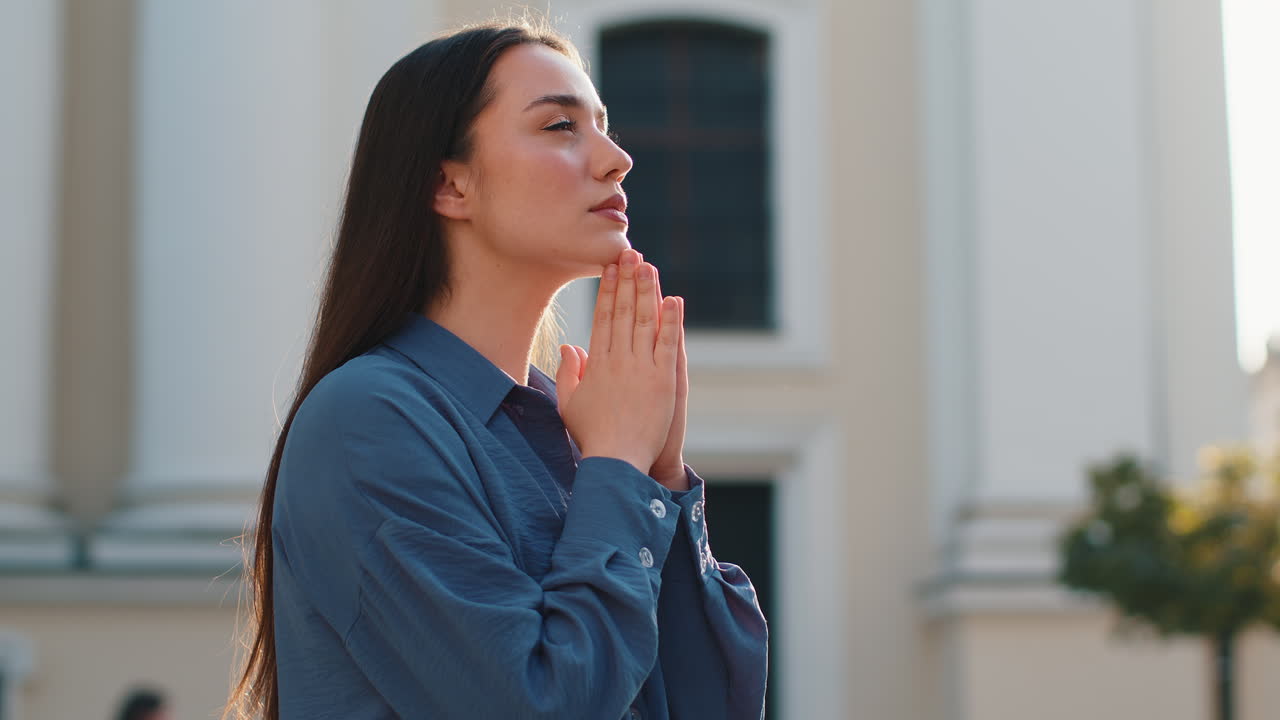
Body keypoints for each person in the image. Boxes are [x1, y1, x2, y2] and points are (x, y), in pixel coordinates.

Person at [225, 15, 768, 720]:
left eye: (602, 124)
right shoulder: (367, 420)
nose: (615, 158)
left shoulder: (574, 429)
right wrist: (620, 473)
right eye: (559, 127)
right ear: (450, 186)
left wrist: (657, 477)